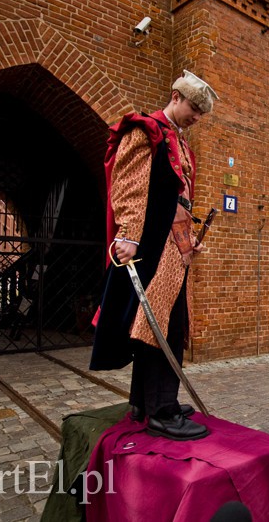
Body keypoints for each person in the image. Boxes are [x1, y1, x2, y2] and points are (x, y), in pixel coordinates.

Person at [90, 69, 218, 440]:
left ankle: (145, 403)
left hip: (175, 246)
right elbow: (130, 185)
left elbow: (178, 199)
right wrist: (127, 235)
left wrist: (190, 238)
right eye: (194, 108)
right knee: (162, 327)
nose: (197, 117)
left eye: (201, 113)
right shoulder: (146, 131)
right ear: (176, 97)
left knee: (158, 327)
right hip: (151, 246)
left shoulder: (179, 141)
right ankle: (162, 411)